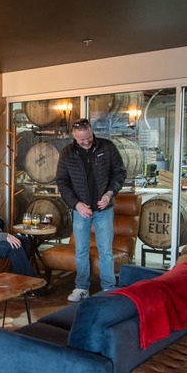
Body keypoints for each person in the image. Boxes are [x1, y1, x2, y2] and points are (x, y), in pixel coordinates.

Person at [55, 118, 127, 302]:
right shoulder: (67, 154)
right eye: (81, 140)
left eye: (88, 137)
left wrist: (110, 193)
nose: (86, 142)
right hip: (80, 210)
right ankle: (81, 287)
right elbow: (62, 182)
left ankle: (108, 289)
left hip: (104, 208)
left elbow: (119, 172)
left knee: (105, 251)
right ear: (74, 136)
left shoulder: (107, 147)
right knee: (80, 251)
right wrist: (76, 204)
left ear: (91, 131)